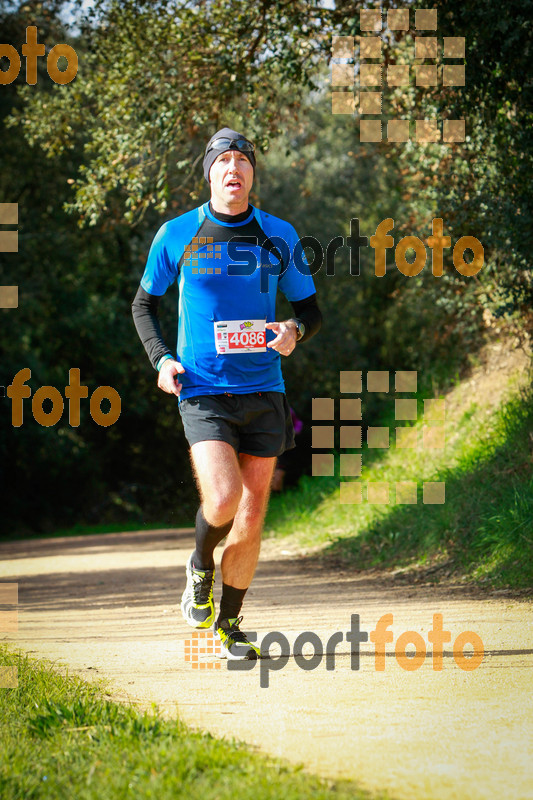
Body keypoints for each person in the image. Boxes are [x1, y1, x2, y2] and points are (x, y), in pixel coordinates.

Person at [132, 127, 321, 660]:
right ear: (211, 172)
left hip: (264, 390)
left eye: (243, 160)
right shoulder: (177, 234)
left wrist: (294, 332)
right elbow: (142, 305)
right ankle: (198, 564)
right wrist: (162, 359)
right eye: (224, 160)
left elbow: (310, 312)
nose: (233, 167)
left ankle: (229, 625)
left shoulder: (279, 235)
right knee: (223, 497)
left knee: (253, 514)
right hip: (203, 390)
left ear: (252, 175)